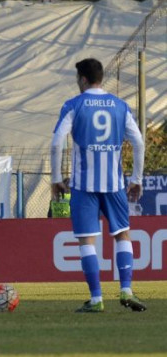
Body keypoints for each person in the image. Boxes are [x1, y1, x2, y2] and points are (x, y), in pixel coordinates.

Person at [50, 58, 146, 313]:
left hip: (83, 184)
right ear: (100, 77)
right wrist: (136, 178)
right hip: (114, 184)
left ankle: (96, 298)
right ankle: (126, 290)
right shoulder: (120, 106)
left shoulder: (73, 105)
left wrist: (56, 178)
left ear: (82, 79)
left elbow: (57, 141)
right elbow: (138, 142)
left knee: (86, 241)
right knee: (122, 234)